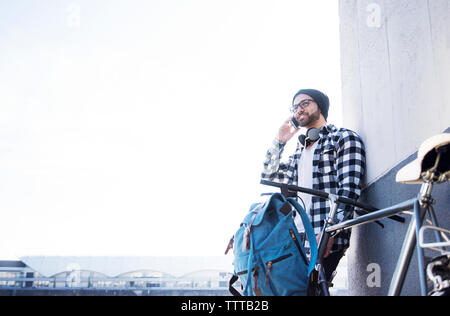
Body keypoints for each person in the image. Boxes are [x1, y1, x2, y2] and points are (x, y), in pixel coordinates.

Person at [261, 88, 366, 284]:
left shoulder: (342, 138)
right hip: (294, 238)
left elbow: (349, 191)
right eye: (294, 107)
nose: (298, 110)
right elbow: (268, 175)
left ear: (320, 106)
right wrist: (279, 141)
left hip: (323, 235)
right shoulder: (296, 155)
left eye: (305, 103)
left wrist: (330, 232)